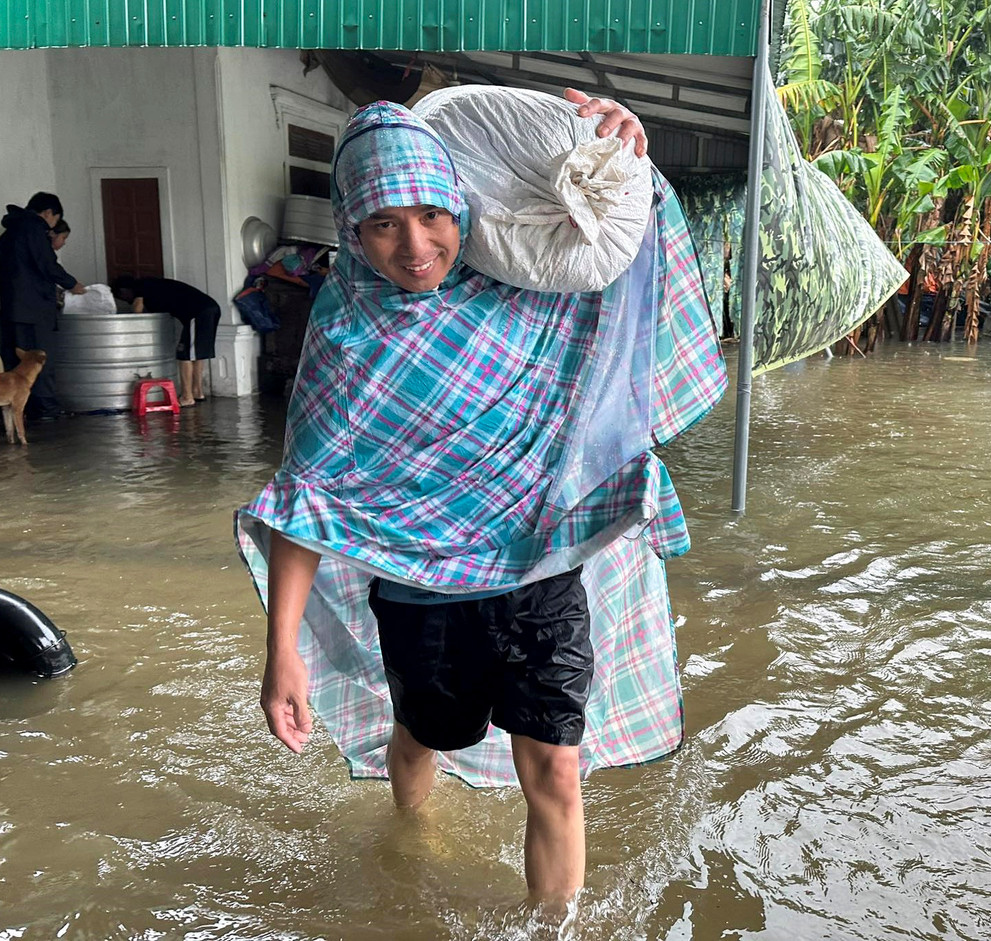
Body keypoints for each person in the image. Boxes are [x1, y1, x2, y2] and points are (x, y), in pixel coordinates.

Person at [235, 89, 727, 906]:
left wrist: (621, 153)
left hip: (540, 577)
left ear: (461, 205)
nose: (416, 245)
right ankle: (411, 836)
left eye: (433, 214)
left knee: (557, 771)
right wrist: (281, 648)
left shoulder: (527, 286)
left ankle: (554, 926)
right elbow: (309, 499)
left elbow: (631, 239)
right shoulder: (344, 334)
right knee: (421, 736)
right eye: (384, 223)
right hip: (420, 595)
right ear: (350, 227)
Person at [0, 192, 86, 420]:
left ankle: (20, 408)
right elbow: (47, 264)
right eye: (55, 219)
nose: (52, 226)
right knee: (40, 358)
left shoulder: (9, 232)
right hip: (34, 308)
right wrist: (72, 284)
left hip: (13, 307)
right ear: (48, 213)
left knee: (18, 360)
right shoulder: (34, 230)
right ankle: (45, 408)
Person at [111, 276, 220, 406]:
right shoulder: (154, 287)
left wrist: (133, 326)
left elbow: (137, 308)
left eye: (122, 297)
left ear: (124, 290)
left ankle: (187, 397)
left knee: (185, 355)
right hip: (210, 308)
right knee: (196, 354)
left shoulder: (142, 285)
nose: (125, 300)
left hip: (198, 312)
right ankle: (197, 392)